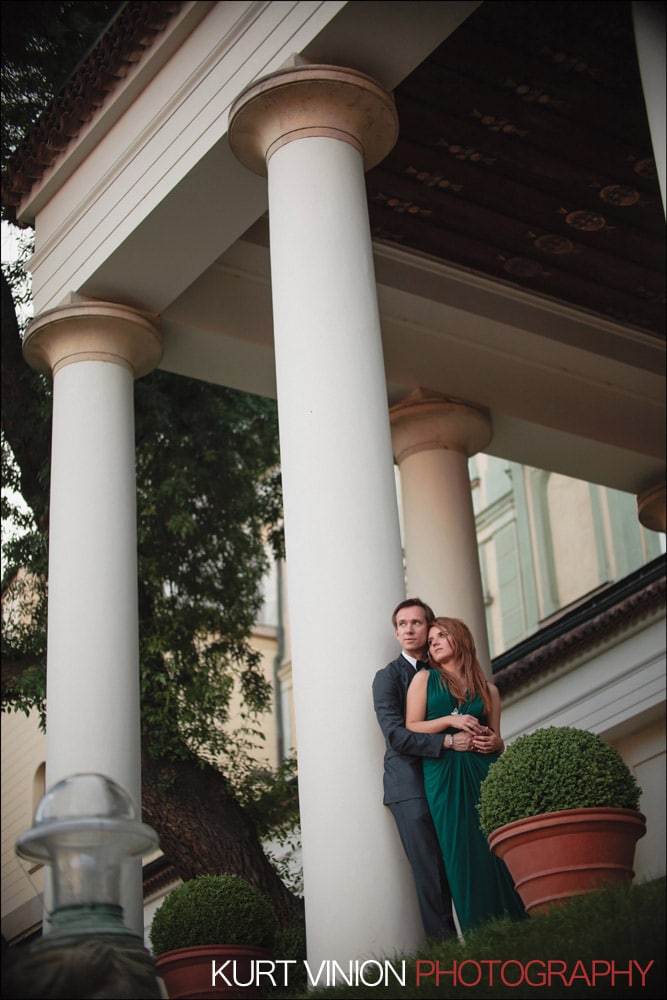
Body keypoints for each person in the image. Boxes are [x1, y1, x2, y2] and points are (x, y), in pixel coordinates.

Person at [405, 616, 526, 933]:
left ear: (459, 638)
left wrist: (495, 742)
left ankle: (518, 923)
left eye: (441, 635)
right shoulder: (424, 680)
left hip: (484, 770)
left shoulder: (489, 691)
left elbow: (498, 739)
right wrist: (450, 721)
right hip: (444, 773)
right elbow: (412, 726)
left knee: (497, 843)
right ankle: (480, 932)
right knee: (459, 850)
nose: (434, 643)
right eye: (431, 641)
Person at [372, 598, 456, 941]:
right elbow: (396, 734)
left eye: (416, 623)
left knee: (457, 858)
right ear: (396, 632)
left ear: (429, 627)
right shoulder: (387, 678)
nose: (408, 629)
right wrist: (446, 743)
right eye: (402, 624)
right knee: (430, 872)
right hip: (409, 785)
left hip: (447, 778)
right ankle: (447, 951)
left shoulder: (444, 673)